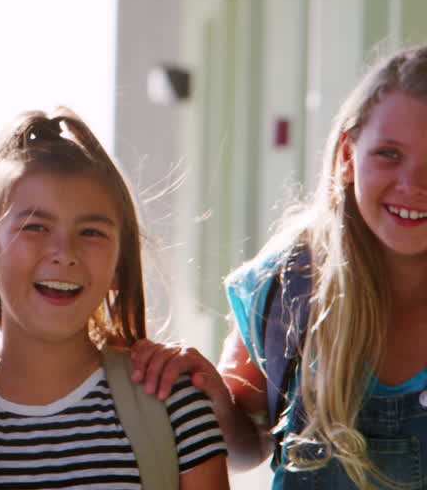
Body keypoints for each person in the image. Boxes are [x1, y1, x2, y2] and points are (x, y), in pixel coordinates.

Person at [131, 44, 427, 489]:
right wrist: (211, 397)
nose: (412, 185)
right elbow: (245, 449)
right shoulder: (291, 284)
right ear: (347, 155)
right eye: (389, 154)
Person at [0, 109, 228, 489]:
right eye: (35, 227)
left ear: (120, 264)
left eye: (91, 232)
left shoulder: (173, 403)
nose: (64, 252)